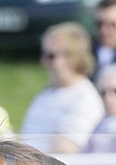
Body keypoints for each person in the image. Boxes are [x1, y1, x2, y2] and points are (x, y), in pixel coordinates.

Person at [20, 22, 104, 154]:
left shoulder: (84, 99)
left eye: (51, 56)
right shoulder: (47, 93)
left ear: (72, 57)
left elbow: (63, 153)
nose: (44, 61)